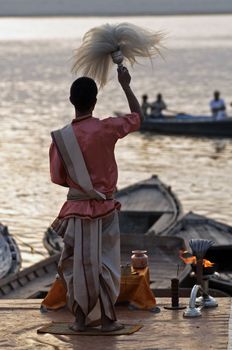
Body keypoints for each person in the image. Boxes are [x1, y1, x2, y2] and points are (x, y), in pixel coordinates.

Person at [49, 67, 143, 333]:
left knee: (76, 265)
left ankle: (79, 320)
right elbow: (137, 118)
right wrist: (125, 85)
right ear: (95, 101)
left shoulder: (61, 138)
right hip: (105, 208)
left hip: (75, 210)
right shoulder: (107, 128)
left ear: (71, 101)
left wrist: (82, 184)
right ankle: (107, 320)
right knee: (106, 264)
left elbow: (58, 178)